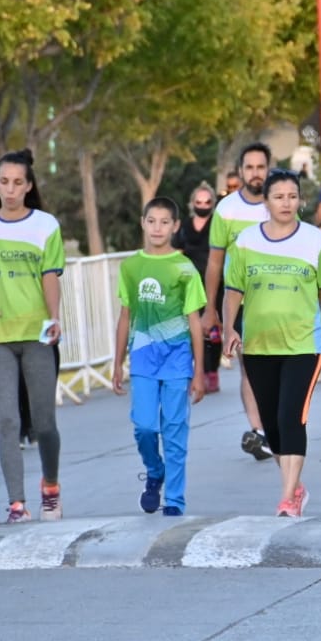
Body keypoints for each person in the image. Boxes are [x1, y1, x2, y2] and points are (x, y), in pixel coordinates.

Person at [223, 169, 321, 517]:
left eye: (292, 196)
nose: (286, 203)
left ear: (300, 200)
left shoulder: (313, 240)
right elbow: (233, 290)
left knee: (291, 417)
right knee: (273, 426)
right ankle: (295, 484)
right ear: (266, 201)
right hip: (258, 346)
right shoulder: (246, 241)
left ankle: (286, 497)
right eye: (278, 196)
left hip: (303, 347)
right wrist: (228, 328)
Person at [0, 149, 66, 524]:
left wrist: (54, 318)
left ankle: (51, 489)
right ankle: (16, 504)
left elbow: (51, 276)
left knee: (44, 423)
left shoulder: (45, 225)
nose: (11, 189)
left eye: (18, 182)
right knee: (7, 420)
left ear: (29, 186)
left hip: (37, 335)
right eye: (4, 182)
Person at [112, 197, 207, 517]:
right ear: (143, 223)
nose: (157, 228)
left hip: (177, 358)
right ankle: (155, 471)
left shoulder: (184, 268)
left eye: (165, 222)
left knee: (175, 429)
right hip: (142, 356)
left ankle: (175, 499)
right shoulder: (131, 267)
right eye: (152, 221)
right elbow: (125, 316)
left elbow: (195, 321)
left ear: (176, 226)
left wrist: (199, 371)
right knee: (144, 426)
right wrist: (116, 364)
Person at [205, 143, 275, 461]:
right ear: (241, 171)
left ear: (269, 170)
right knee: (250, 367)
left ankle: (276, 425)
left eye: (261, 167)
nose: (255, 173)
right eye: (250, 167)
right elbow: (215, 262)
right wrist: (210, 309)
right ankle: (259, 432)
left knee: (277, 366)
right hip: (241, 300)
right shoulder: (227, 209)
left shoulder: (280, 203)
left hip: (278, 299)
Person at [176, 181, 224, 394]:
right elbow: (177, 251)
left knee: (213, 330)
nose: (202, 205)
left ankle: (212, 371)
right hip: (190, 284)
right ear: (192, 203)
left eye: (207, 202)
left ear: (212, 203)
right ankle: (198, 371)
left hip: (214, 283)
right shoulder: (185, 225)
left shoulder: (217, 224)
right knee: (193, 328)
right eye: (198, 202)